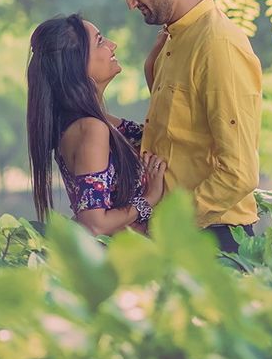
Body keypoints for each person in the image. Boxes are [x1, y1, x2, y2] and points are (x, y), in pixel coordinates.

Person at [107, 0, 261, 255]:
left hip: (216, 241)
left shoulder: (218, 44)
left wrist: (168, 225)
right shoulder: (170, 42)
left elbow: (239, 173)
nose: (130, 3)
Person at [26, 13, 167, 235]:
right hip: (121, 264)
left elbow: (156, 136)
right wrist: (148, 199)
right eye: (100, 41)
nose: (113, 45)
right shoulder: (90, 129)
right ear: (77, 64)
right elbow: (94, 224)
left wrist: (152, 68)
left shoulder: (98, 124)